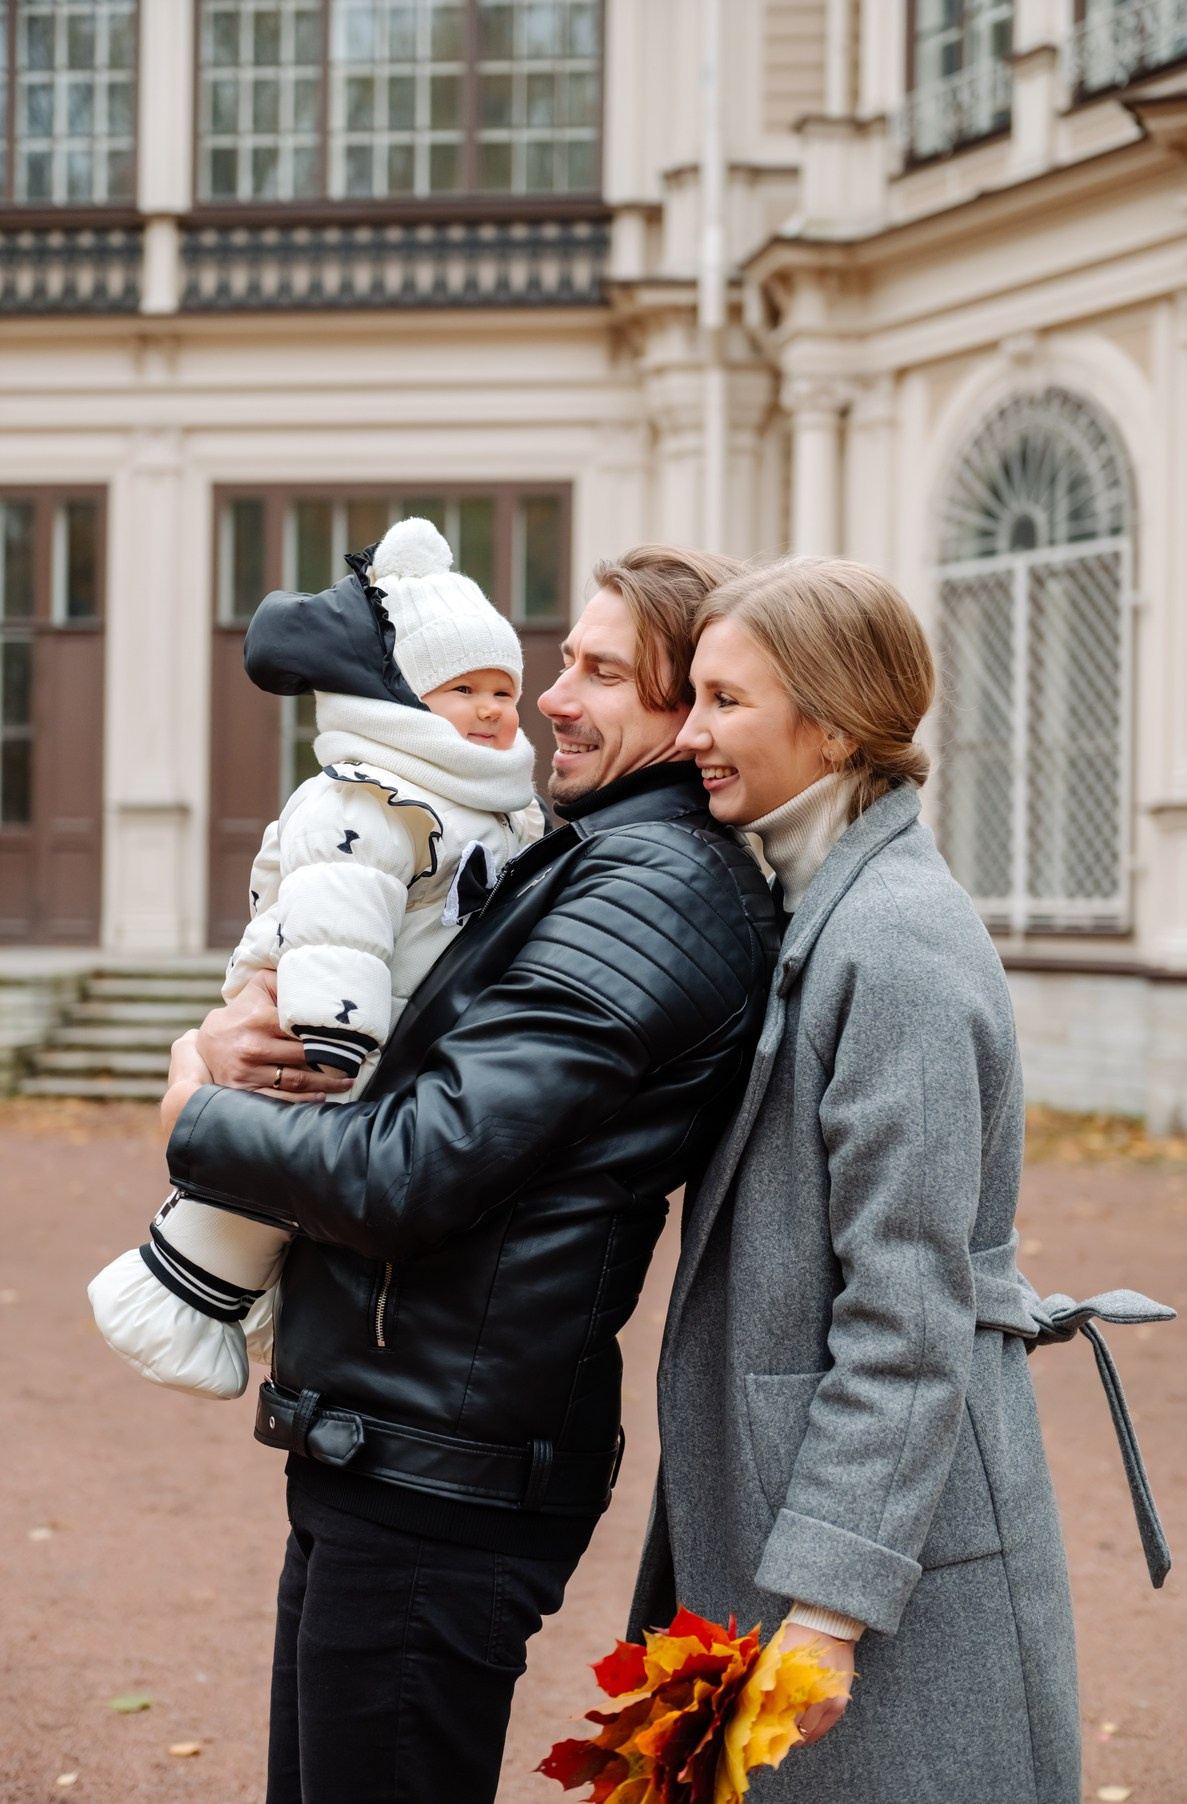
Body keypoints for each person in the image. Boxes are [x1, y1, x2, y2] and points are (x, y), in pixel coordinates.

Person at [158, 544, 780, 1804]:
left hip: (445, 1467)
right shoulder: (584, 856)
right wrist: (232, 1040)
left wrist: (193, 1113)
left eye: (602, 672)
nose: (552, 696)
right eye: (565, 660)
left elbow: (412, 1170)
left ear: (689, 712)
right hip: (398, 1433)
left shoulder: (652, 893)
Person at [631, 556, 1173, 1804]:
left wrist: (831, 1600)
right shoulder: (813, 902)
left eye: (723, 701)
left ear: (827, 720)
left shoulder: (898, 942)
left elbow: (906, 1309)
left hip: (887, 1561)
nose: (691, 732)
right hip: (814, 1511)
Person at [87, 517, 544, 1401]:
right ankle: (170, 1300)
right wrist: (336, 1025)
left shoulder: (480, 803)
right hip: (322, 1027)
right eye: (463, 689)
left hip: (377, 1032)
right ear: (403, 701)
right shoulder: (370, 797)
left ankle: (227, 1310)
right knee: (250, 1193)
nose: (494, 709)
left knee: (287, 1195)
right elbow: (343, 909)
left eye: (504, 690)